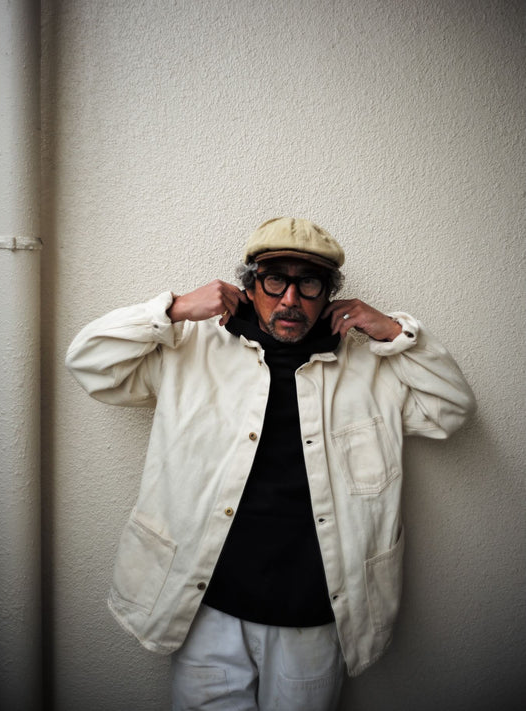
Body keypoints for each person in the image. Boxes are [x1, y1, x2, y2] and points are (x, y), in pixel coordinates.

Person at [66, 217, 476, 710]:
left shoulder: (371, 367)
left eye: (309, 284)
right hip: (204, 606)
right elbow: (89, 362)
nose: (290, 300)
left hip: (316, 614)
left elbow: (451, 409)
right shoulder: (190, 349)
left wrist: (394, 331)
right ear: (249, 286)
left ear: (329, 295)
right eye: (275, 280)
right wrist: (172, 309)